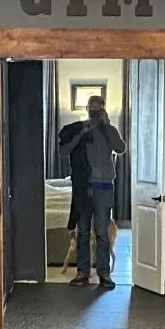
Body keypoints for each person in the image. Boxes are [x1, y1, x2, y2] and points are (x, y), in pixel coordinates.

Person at [56, 96, 124, 287]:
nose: (94, 114)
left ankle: (104, 273)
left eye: (98, 110)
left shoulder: (110, 130)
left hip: (104, 187)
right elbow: (63, 151)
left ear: (103, 110)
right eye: (92, 110)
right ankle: (82, 272)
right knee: (83, 231)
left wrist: (107, 125)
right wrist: (81, 133)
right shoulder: (78, 129)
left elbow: (120, 148)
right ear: (87, 109)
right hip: (83, 187)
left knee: (102, 232)